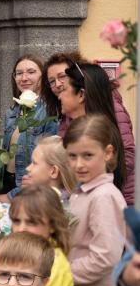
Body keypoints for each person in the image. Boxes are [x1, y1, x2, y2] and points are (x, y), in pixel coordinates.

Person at [63, 115, 127, 286]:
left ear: (108, 153)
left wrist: (60, 274)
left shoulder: (104, 197)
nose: (79, 164)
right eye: (72, 156)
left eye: (88, 155)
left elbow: (105, 257)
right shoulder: (83, 192)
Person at [46, 55, 135, 205]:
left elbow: (127, 154)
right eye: (52, 81)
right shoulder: (67, 118)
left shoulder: (106, 120)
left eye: (63, 82)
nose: (58, 90)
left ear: (81, 94)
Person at [9, 185, 77, 286]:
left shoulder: (53, 262)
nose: (21, 228)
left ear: (52, 225)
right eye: (16, 221)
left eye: (31, 222)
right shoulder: (30, 254)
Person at [0, 55, 58, 201]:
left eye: (31, 72)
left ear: (43, 76)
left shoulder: (50, 111)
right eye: (19, 73)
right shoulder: (12, 111)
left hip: (29, 186)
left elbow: (48, 161)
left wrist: (12, 196)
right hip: (7, 183)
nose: (24, 78)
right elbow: (9, 150)